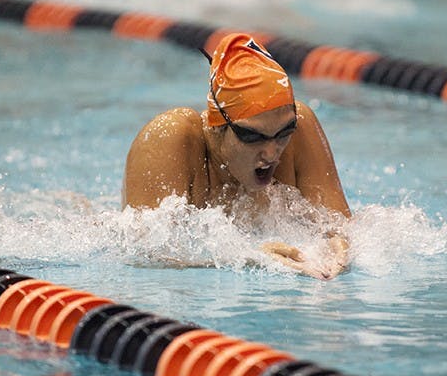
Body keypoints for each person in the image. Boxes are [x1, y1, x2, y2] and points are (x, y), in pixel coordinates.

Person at [122, 32, 352, 280]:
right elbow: (143, 254)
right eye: (252, 137)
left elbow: (340, 227)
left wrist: (341, 244)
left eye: (284, 133)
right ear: (217, 126)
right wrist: (250, 258)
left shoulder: (301, 125)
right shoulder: (171, 138)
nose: (272, 153)